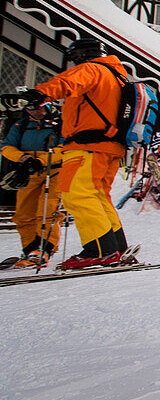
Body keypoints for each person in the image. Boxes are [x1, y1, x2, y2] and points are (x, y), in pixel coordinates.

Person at [0, 39, 135, 270]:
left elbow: (66, 82)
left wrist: (37, 94)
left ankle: (99, 251)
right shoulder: (118, 76)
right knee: (98, 196)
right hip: (109, 146)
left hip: (87, 145)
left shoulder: (92, 69)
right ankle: (116, 248)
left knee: (77, 195)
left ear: (80, 57)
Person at [0, 103, 62, 267]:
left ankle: (45, 249)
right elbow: (6, 146)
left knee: (47, 210)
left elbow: (66, 147)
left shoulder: (60, 122)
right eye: (31, 108)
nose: (37, 112)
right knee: (23, 213)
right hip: (28, 170)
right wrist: (23, 158)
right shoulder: (22, 125)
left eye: (40, 107)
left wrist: (42, 161)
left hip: (53, 171)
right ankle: (29, 249)